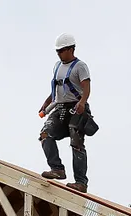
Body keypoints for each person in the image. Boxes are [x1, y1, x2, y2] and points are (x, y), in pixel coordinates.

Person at [39, 33, 94, 193]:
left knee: (76, 143)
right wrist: (46, 103)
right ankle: (57, 169)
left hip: (76, 108)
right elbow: (57, 89)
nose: (59, 54)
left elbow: (86, 87)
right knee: (45, 134)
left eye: (62, 51)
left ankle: (81, 182)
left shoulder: (80, 66)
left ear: (71, 49)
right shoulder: (57, 66)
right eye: (58, 51)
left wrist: (82, 102)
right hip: (60, 107)